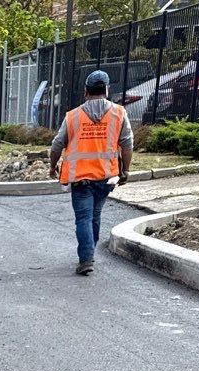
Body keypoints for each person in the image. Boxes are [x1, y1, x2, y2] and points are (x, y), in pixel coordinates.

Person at [49, 69, 133, 276]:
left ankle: (86, 258)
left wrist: (52, 166)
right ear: (107, 90)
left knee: (84, 218)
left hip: (80, 179)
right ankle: (90, 253)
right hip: (106, 177)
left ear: (86, 91)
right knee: (95, 215)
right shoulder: (119, 113)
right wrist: (126, 170)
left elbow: (57, 144)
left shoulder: (73, 116)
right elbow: (127, 144)